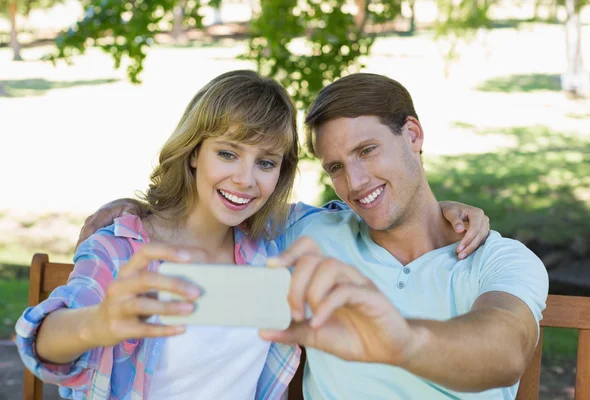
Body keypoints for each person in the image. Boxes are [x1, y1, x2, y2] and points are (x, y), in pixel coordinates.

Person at [15, 70, 490, 400]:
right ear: (194, 152)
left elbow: (363, 207)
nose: (245, 180)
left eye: (265, 163)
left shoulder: (270, 249)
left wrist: (445, 212)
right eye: (228, 154)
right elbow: (42, 337)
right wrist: (100, 323)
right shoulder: (124, 248)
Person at [260, 73, 550, 399]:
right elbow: (225, 208)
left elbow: (505, 350)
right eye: (336, 168)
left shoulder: (497, 260)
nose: (355, 183)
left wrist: (401, 342)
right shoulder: (310, 236)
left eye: (367, 150)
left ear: (413, 135)